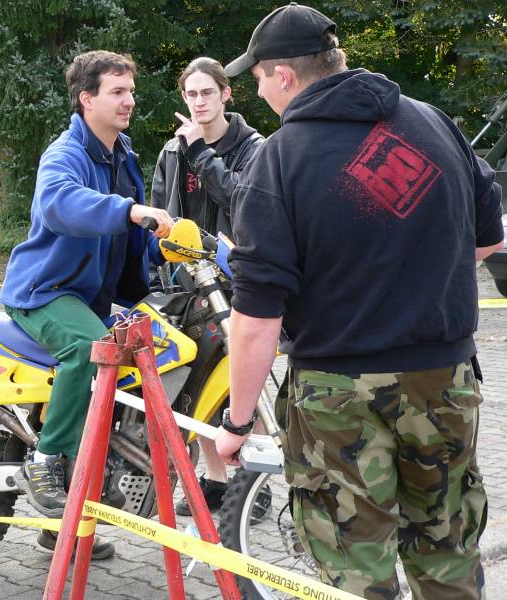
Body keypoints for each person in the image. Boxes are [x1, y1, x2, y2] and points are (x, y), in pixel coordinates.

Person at [215, 4, 503, 598]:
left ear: (284, 75)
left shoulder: (280, 157)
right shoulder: (432, 123)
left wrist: (238, 423)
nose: (258, 91)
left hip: (338, 397)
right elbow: (487, 237)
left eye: (259, 77)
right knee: (448, 556)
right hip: (444, 381)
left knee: (354, 573)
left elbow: (257, 316)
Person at [0, 50, 173, 557]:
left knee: (142, 355)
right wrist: (130, 210)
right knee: (90, 349)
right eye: (117, 92)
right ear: (86, 98)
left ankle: (66, 524)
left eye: (131, 90)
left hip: (91, 296)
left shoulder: (122, 154)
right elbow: (61, 204)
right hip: (45, 291)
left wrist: (169, 250)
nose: (129, 100)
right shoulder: (65, 154)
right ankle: (46, 462)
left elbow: (132, 235)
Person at [151, 56, 264, 516]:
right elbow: (160, 214)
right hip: (188, 285)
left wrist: (201, 151)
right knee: (195, 386)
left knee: (240, 388)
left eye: (207, 93)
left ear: (226, 94)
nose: (199, 102)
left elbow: (244, 203)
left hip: (236, 281)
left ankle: (254, 484)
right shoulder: (171, 151)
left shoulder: (253, 147)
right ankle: (215, 482)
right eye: (191, 94)